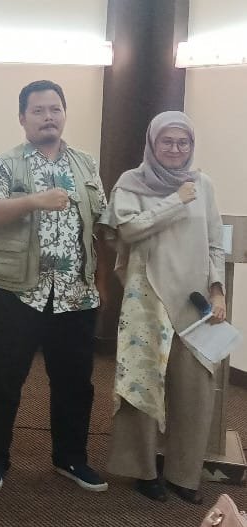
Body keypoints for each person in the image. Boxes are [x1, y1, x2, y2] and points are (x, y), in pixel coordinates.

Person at [0, 80, 108, 492]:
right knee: (2, 379)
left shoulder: (86, 164)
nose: (48, 117)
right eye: (38, 110)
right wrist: (33, 200)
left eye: (55, 109)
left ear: (64, 114)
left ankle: (71, 458)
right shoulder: (3, 163)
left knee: (75, 383)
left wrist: (101, 283)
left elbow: (102, 226)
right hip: (15, 291)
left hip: (75, 294)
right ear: (22, 118)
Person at [105, 111, 225, 505]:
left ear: (191, 146)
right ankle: (143, 471)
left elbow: (214, 243)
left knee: (195, 388)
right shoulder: (132, 182)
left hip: (195, 301)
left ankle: (184, 474)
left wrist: (218, 291)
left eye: (183, 142)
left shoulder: (203, 184)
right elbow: (128, 229)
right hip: (147, 298)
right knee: (142, 385)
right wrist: (175, 201)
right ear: (152, 143)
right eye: (167, 141)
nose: (175, 149)